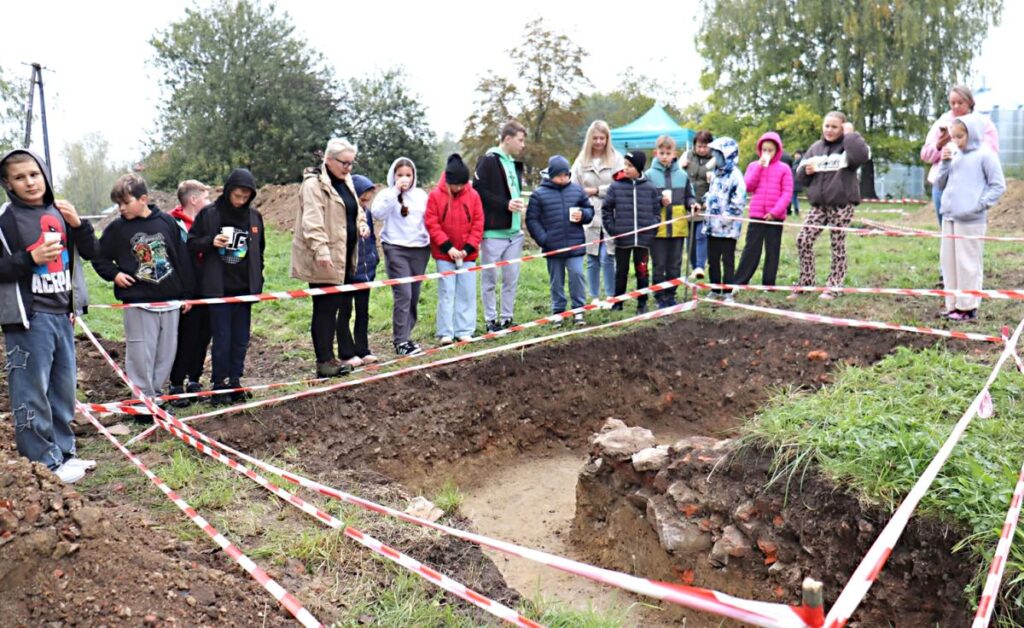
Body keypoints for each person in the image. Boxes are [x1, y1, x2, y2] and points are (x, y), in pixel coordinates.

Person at [0, 149, 99, 483]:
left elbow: (93, 252)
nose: (29, 182)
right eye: (19, 177)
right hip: (30, 317)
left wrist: (80, 226)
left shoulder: (61, 211)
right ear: (7, 184)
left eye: (34, 174)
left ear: (44, 175)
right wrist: (30, 257)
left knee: (62, 391)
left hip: (62, 314)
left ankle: (64, 453)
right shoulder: (6, 218)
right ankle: (43, 463)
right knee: (31, 392)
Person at [93, 174, 194, 403]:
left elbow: (182, 259)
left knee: (166, 352)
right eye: (117, 204)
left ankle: (156, 396)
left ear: (144, 199)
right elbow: (99, 257)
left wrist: (188, 294)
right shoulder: (117, 229)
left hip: (169, 301)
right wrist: (115, 274)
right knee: (140, 353)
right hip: (138, 302)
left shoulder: (167, 223)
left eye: (125, 203)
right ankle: (141, 400)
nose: (120, 208)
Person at [292, 139, 371, 376]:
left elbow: (355, 211)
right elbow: (312, 221)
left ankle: (333, 358)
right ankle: (324, 361)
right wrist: (321, 250)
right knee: (325, 309)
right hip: (323, 257)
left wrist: (362, 224)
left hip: (345, 255)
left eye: (351, 163)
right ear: (329, 160)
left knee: (338, 306)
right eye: (344, 163)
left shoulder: (346, 182)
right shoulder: (313, 185)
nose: (348, 168)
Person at [187, 168, 266, 403]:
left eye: (245, 197)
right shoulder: (210, 214)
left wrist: (257, 280)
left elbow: (259, 251)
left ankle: (235, 380)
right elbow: (191, 243)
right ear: (229, 191)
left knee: (241, 337)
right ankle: (219, 383)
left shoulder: (254, 217)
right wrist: (210, 242)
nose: (240, 201)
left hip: (245, 288)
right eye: (237, 196)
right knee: (222, 337)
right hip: (218, 289)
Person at [791, 112, 870, 300]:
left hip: (842, 204)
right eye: (826, 126)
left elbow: (860, 157)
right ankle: (806, 282)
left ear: (843, 127)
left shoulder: (849, 146)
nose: (829, 130)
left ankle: (834, 285)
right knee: (803, 239)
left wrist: (850, 135)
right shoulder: (815, 148)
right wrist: (806, 171)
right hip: (819, 205)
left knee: (837, 245)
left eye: (834, 127)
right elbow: (799, 178)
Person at [936, 114, 1006, 321]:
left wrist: (978, 205)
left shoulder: (986, 155)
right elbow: (940, 184)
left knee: (968, 263)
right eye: (953, 137)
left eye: (960, 136)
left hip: (971, 220)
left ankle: (968, 307)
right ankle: (952, 305)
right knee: (949, 263)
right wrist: (945, 163)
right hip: (949, 217)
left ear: (972, 133)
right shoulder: (954, 155)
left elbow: (998, 185)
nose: (956, 141)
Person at [372, 156, 430, 356]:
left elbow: (429, 218)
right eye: (400, 175)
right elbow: (377, 213)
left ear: (414, 176)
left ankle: (407, 335)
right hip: (396, 248)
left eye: (408, 175)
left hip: (420, 249)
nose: (404, 178)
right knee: (403, 294)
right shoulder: (387, 194)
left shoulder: (421, 195)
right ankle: (400, 341)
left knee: (413, 295)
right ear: (393, 176)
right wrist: (396, 190)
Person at [526, 155, 594, 324]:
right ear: (551, 174)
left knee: (577, 274)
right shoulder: (538, 195)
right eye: (559, 175)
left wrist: (583, 215)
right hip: (553, 246)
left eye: (566, 174)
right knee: (556, 281)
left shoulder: (577, 191)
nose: (563, 178)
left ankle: (578, 310)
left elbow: (589, 210)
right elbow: (532, 220)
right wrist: (544, 239)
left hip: (575, 243)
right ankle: (558, 311)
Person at [920, 85, 1000, 228]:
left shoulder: (984, 124)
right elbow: (926, 155)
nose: (956, 106)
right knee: (946, 231)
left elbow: (990, 153)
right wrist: (939, 144)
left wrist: (961, 143)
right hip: (943, 186)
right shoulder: (942, 123)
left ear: (970, 102)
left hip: (971, 186)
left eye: (960, 102)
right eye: (952, 103)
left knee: (967, 233)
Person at [475, 119, 527, 332]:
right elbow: (478, 191)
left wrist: (516, 204)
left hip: (514, 232)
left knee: (511, 277)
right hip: (493, 231)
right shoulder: (488, 160)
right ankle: (490, 320)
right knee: (490, 278)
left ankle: (507, 317)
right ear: (507, 138)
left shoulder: (511, 162)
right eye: (520, 140)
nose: (523, 145)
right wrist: (505, 204)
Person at [425, 154, 484, 343]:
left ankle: (464, 329)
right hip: (444, 254)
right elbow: (432, 223)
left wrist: (467, 248)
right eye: (455, 185)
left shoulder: (473, 195)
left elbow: (478, 222)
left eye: (461, 184)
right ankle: (446, 332)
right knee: (446, 292)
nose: (458, 188)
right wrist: (448, 247)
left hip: (468, 254)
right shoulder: (435, 196)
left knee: (466, 291)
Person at [167, 180, 211, 407]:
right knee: (186, 336)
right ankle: (176, 382)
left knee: (204, 335)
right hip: (185, 293)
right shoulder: (172, 225)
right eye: (206, 197)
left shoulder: (208, 224)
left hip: (209, 290)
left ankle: (195, 379)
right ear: (193, 199)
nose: (209, 203)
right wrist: (184, 293)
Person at [603, 150, 660, 313]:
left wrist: (652, 228)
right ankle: (618, 302)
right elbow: (606, 209)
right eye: (625, 165)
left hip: (643, 240)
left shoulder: (649, 188)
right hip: (623, 240)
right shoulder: (616, 186)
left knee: (642, 271)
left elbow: (657, 211)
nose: (626, 168)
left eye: (630, 165)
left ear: (639, 168)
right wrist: (614, 230)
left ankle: (642, 303)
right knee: (621, 272)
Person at [571, 120, 621, 302]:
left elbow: (620, 184)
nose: (599, 142)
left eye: (602, 138)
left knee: (608, 255)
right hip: (589, 214)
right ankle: (594, 296)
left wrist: (596, 190)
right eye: (595, 138)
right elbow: (573, 185)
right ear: (590, 139)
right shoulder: (581, 160)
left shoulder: (616, 158)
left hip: (610, 212)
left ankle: (610, 294)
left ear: (607, 139)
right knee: (592, 256)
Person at [734, 132, 793, 286]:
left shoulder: (784, 168)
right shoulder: (753, 166)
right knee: (751, 249)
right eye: (764, 150)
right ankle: (740, 281)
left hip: (775, 217)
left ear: (777, 151)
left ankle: (769, 283)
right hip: (756, 215)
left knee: (772, 250)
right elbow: (747, 186)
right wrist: (759, 167)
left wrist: (775, 212)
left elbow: (787, 193)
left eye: (770, 150)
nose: (766, 153)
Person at [645, 135, 697, 308]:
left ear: (675, 153)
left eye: (668, 152)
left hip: (678, 227)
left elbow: (690, 196)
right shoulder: (649, 175)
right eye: (662, 153)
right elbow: (644, 200)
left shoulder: (683, 175)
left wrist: (692, 204)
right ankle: (659, 296)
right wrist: (658, 201)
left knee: (675, 264)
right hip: (658, 228)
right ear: (655, 153)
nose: (665, 156)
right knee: (659, 264)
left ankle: (671, 294)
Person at [702, 138, 746, 301]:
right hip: (712, 226)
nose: (714, 156)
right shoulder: (715, 174)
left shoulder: (736, 176)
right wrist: (705, 201)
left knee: (727, 260)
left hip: (728, 229)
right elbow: (713, 193)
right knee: (713, 260)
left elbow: (739, 200)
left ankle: (727, 292)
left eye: (718, 153)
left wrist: (727, 217)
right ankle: (715, 289)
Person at [349, 174, 381, 363]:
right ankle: (348, 351)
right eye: (363, 198)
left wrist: (374, 258)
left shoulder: (367, 213)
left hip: (366, 272)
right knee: (345, 313)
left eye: (368, 198)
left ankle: (363, 349)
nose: (365, 202)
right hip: (349, 272)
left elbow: (371, 240)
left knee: (363, 312)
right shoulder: (347, 213)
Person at [682, 130, 714, 279]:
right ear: (694, 145)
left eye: (705, 146)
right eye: (699, 146)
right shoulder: (688, 156)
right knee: (690, 238)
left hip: (704, 204)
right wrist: (682, 166)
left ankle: (701, 265)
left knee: (701, 235)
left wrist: (707, 202)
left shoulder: (715, 159)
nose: (702, 149)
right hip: (688, 203)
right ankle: (694, 267)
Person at [789, 150, 803, 216]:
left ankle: (797, 210)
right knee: (793, 197)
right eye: (796, 154)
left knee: (793, 197)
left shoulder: (800, 162)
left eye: (798, 154)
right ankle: (796, 210)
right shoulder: (794, 162)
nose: (796, 155)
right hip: (793, 181)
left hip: (796, 182)